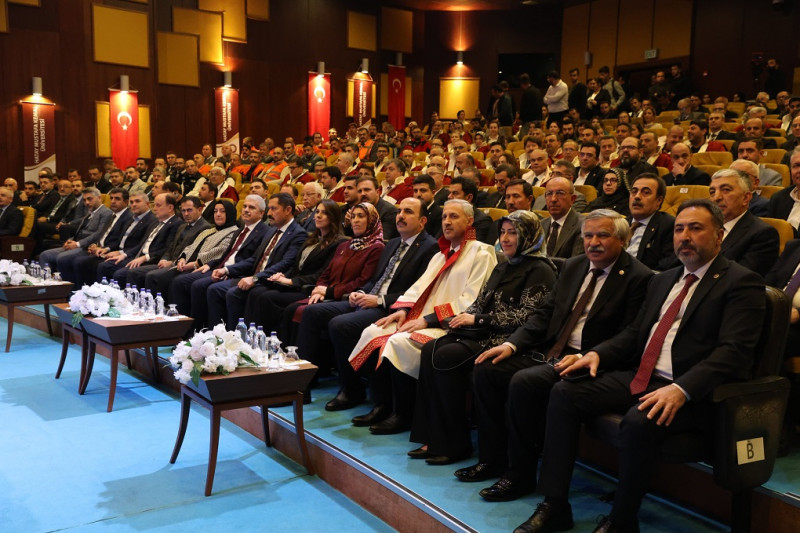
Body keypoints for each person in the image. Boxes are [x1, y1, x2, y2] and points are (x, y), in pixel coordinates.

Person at [515, 198, 765, 533]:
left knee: (637, 421)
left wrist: (681, 389)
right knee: (564, 392)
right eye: (679, 229)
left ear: (719, 235)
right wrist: (598, 354)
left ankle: (622, 521)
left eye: (695, 228)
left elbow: (734, 352)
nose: (684, 236)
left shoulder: (741, 282)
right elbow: (635, 333)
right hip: (642, 376)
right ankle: (555, 504)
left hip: (693, 392)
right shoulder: (664, 279)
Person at [467, 210, 652, 502]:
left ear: (622, 239)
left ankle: (519, 475)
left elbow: (630, 334)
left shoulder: (638, 277)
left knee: (524, 382)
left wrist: (590, 354)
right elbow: (545, 314)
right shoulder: (574, 265)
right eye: (588, 235)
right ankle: (492, 459)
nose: (593, 242)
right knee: (488, 368)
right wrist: (512, 344)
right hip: (552, 350)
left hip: (590, 360)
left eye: (603, 235)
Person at [409, 211, 557, 465]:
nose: (505, 238)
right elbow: (480, 303)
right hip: (485, 332)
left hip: (508, 339)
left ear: (529, 236)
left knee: (446, 355)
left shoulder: (540, 269)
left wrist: (478, 320)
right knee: (432, 347)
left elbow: (528, 317)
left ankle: (453, 445)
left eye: (513, 233)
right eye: (503, 232)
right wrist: (461, 318)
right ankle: (433, 436)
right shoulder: (503, 265)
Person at [347, 200, 497, 435]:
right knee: (373, 330)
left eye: (454, 217)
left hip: (448, 325)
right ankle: (383, 404)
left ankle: (404, 413)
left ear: (469, 221)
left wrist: (428, 319)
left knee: (399, 342)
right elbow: (418, 288)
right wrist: (403, 310)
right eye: (445, 217)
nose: (447, 222)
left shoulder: (482, 253)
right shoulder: (441, 254)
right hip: (421, 317)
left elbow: (471, 300)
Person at [240, 200, 350, 337]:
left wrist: (291, 281)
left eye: (324, 213)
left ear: (333, 217)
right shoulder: (312, 239)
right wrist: (283, 276)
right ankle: (248, 338)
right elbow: (296, 266)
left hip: (309, 288)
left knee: (267, 297)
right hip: (295, 284)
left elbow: (322, 274)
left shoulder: (339, 243)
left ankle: (267, 340)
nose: (318, 216)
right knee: (256, 291)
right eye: (317, 212)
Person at [205, 192, 308, 330]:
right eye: (269, 208)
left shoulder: (298, 234)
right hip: (255, 276)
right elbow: (255, 259)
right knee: (214, 289)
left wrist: (255, 278)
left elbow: (285, 264)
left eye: (273, 209)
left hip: (271, 280)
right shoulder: (272, 230)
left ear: (288, 210)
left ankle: (235, 336)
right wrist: (226, 269)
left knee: (232, 293)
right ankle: (217, 334)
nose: (269, 213)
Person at [143, 200, 239, 299]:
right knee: (162, 278)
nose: (218, 214)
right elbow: (191, 246)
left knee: (177, 281)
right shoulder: (209, 230)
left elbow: (218, 251)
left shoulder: (233, 232)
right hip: (187, 264)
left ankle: (174, 308)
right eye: (215, 211)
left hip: (204, 266)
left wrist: (195, 264)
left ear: (230, 213)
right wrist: (182, 258)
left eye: (222, 211)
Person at [709, 169, 779, 276]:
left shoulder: (763, 234)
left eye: (726, 190)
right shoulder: (704, 227)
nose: (716, 197)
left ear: (746, 198)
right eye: (712, 192)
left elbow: (741, 278)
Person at [626, 173, 678, 271]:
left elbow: (667, 266)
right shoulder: (621, 224)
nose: (637, 196)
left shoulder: (670, 226)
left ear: (659, 200)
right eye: (634, 191)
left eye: (646, 192)